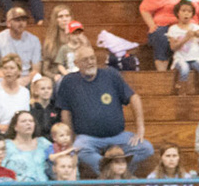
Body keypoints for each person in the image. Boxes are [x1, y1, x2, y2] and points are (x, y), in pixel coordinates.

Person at [54, 42, 152, 173]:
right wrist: (70, 139)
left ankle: (109, 172)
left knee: (146, 148)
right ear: (76, 63)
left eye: (92, 58)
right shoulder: (69, 81)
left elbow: (134, 98)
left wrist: (141, 128)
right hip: (88, 139)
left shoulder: (111, 75)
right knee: (79, 149)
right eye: (85, 60)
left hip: (118, 136)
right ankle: (115, 172)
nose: (90, 62)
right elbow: (66, 113)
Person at [166, 0, 199, 94]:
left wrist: (198, 34)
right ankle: (182, 92)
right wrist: (186, 38)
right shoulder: (173, 29)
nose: (186, 14)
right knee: (184, 70)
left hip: (196, 58)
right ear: (178, 13)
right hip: (181, 58)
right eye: (183, 11)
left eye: (189, 11)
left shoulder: (196, 27)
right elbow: (173, 47)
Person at [0, 6, 44, 80]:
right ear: (8, 23)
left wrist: (24, 81)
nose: (21, 23)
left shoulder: (34, 40)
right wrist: (11, 80)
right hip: (4, 78)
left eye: (24, 20)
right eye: (17, 20)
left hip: (26, 78)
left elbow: (36, 69)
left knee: (39, 81)